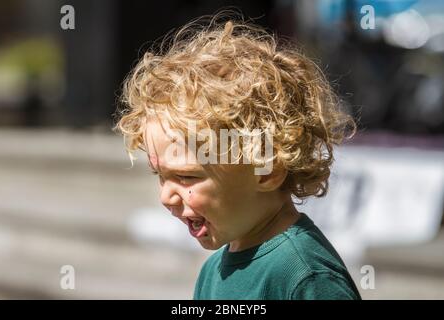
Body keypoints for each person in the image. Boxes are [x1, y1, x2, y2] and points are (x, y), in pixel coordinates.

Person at [115, 14, 361, 300]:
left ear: (265, 170)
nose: (166, 197)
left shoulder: (305, 277)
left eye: (186, 176)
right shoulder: (212, 272)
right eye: (161, 175)